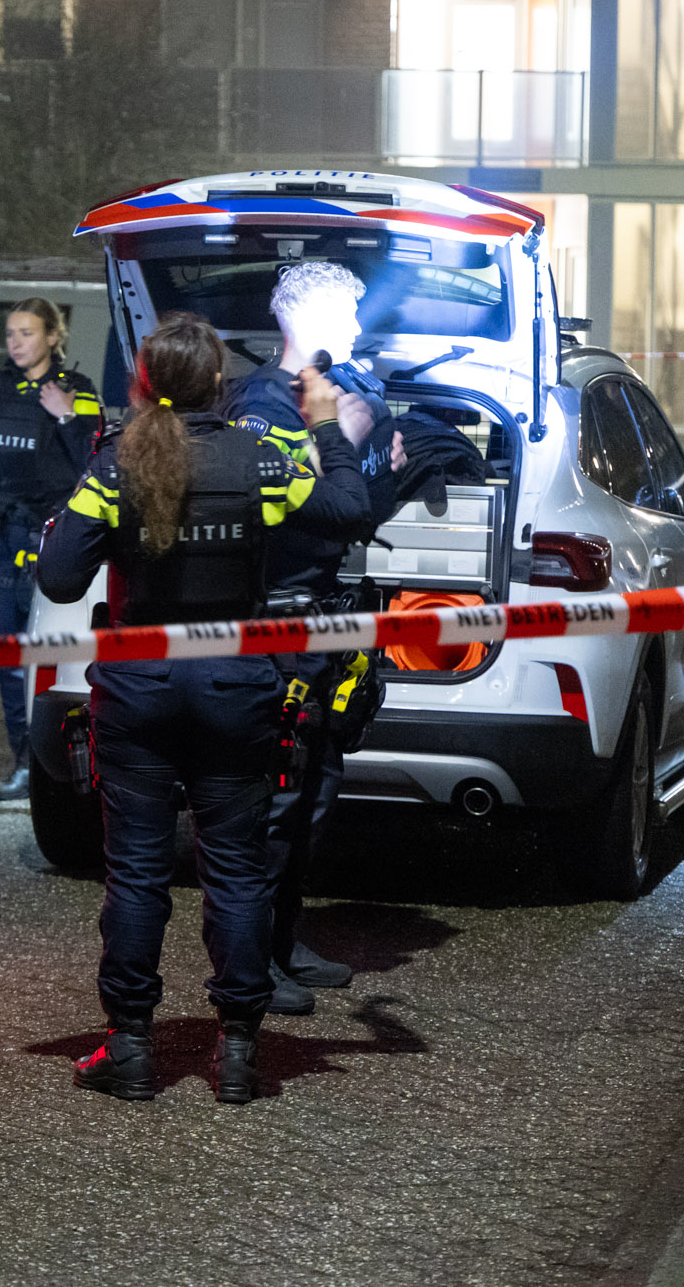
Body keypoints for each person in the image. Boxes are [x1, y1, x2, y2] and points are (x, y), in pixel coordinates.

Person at [36, 311, 394, 1105]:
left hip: (138, 690)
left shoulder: (115, 464)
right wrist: (326, 426)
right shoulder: (260, 460)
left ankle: (131, 1046)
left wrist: (88, 497)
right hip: (237, 688)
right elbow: (349, 509)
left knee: (136, 873)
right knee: (235, 869)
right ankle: (237, 1051)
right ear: (221, 386)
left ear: (143, 383)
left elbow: (58, 577)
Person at [221, 261, 399, 1017]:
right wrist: (343, 444)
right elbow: (278, 508)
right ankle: (252, 961)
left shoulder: (328, 397)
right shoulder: (262, 402)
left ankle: (283, 938)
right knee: (277, 797)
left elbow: (355, 507)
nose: (358, 328)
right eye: (348, 314)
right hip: (276, 624)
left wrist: (370, 462)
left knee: (315, 791)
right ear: (312, 319)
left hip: (323, 621)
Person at [0, 298, 102, 801]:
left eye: (27, 333)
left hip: (47, 538)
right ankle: (25, 764)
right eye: (10, 333)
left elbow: (95, 460)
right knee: (8, 658)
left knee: (52, 660)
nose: (15, 342)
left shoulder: (78, 391)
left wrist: (67, 417)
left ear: (53, 336)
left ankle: (65, 764)